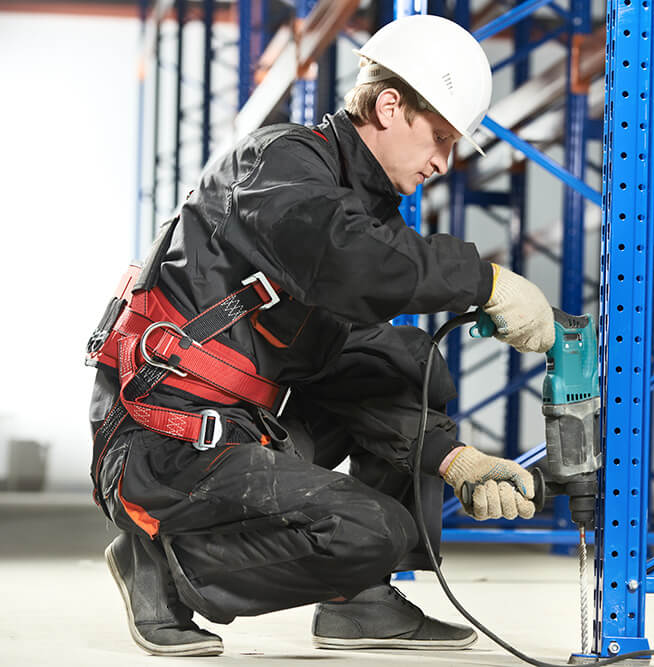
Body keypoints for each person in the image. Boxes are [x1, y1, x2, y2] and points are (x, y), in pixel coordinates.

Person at [87, 14, 555, 657]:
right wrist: (484, 280)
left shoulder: (354, 202)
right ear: (390, 106)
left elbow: (359, 357)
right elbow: (345, 253)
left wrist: (454, 460)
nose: (444, 162)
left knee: (404, 360)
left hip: (240, 423)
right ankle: (161, 570)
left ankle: (360, 605)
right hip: (162, 439)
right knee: (370, 530)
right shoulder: (280, 164)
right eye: (441, 137)